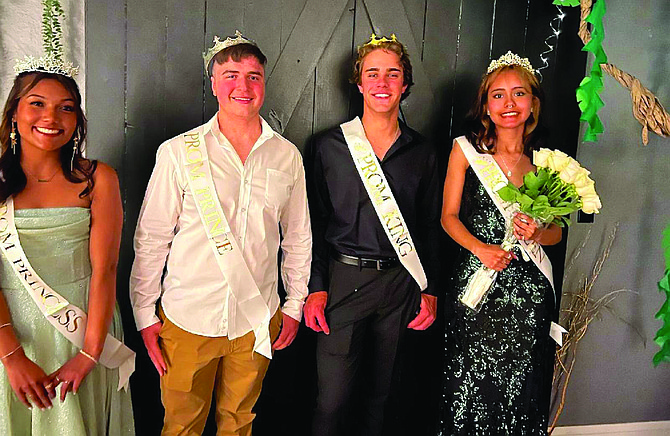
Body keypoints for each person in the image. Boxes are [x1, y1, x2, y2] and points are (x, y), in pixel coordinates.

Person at [129, 31, 311, 436]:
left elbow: (298, 238)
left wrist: (295, 303)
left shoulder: (287, 156)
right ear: (213, 83)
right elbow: (152, 237)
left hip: (257, 319)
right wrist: (144, 311)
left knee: (240, 423)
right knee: (181, 426)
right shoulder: (178, 152)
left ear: (264, 83)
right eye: (230, 75)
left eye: (253, 76)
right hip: (187, 318)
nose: (242, 87)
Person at [304, 34, 441, 436]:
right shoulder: (328, 146)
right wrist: (315, 286)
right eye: (373, 74)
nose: (382, 83)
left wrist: (430, 290)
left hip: (400, 283)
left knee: (384, 399)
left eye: (393, 74)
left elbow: (430, 225)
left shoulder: (424, 152)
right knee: (332, 401)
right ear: (360, 83)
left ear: (405, 84)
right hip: (343, 281)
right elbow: (311, 222)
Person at [0, 66, 135, 433]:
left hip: (83, 329)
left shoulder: (97, 179)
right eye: (37, 104)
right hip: (10, 335)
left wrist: (89, 354)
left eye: (66, 107)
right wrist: (12, 357)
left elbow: (105, 269)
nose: (51, 117)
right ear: (14, 112)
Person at [439, 52, 562, 435]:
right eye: (498, 95)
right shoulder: (466, 150)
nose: (509, 104)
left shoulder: (546, 163)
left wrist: (538, 234)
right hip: (477, 285)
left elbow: (557, 231)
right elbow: (448, 217)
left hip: (530, 297)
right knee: (469, 388)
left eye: (519, 94)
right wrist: (480, 248)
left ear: (533, 105)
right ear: (486, 106)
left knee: (521, 389)